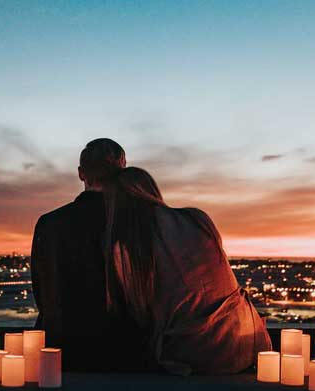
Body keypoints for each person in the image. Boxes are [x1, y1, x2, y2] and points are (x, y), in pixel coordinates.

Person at [103, 167, 272, 375]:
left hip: (197, 354)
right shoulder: (198, 219)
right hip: (249, 341)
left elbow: (140, 314)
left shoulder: (128, 249)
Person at [30, 138, 144, 371]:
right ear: (123, 173)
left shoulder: (49, 224)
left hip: (61, 350)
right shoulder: (135, 223)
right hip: (123, 352)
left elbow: (42, 293)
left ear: (81, 174)